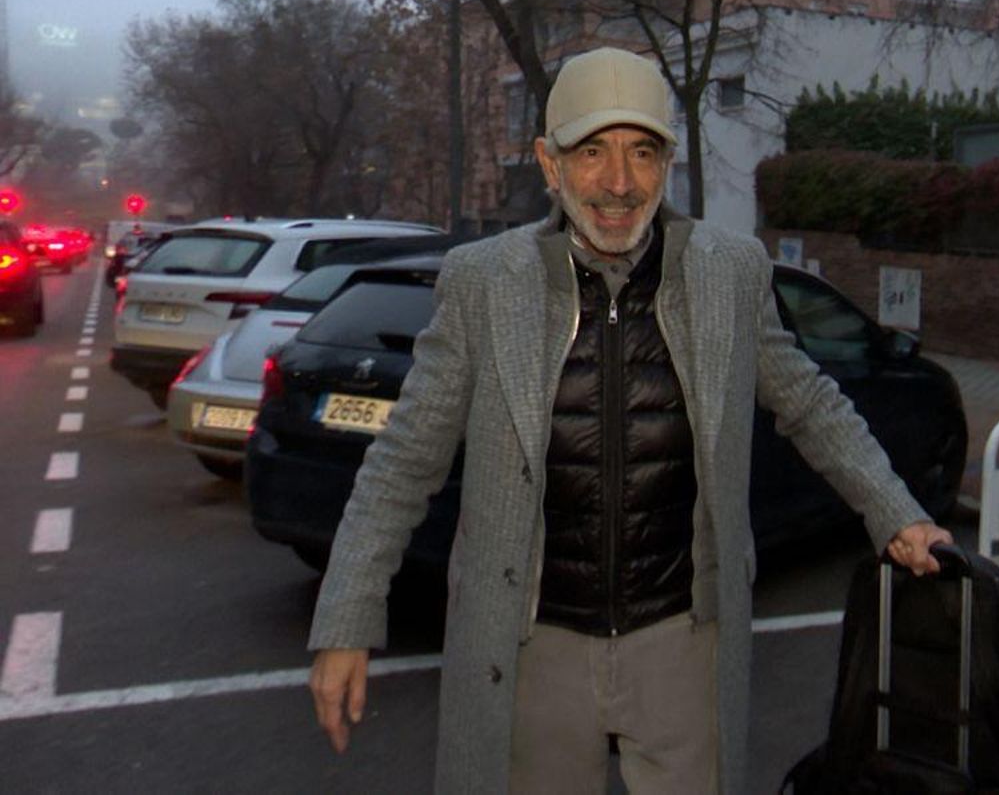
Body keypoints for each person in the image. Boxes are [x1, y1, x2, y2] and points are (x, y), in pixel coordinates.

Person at [305, 46, 953, 794]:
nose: (619, 183)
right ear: (550, 165)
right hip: (531, 647)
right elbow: (405, 460)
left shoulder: (730, 272)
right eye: (593, 153)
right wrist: (348, 620)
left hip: (679, 640)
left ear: (668, 162)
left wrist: (895, 513)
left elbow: (809, 403)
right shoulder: (485, 284)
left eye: (643, 152)